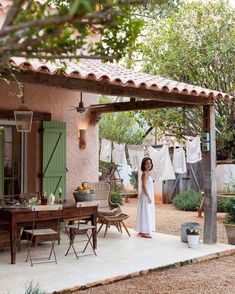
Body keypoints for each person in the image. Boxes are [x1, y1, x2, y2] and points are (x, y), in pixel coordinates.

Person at [136, 157, 156, 238]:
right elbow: (143, 186)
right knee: (146, 213)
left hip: (147, 195)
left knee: (144, 212)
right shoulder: (144, 173)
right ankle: (145, 232)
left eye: (150, 163)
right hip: (145, 195)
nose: (149, 165)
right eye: (147, 163)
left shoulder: (148, 173)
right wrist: (148, 196)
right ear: (143, 165)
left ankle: (142, 230)